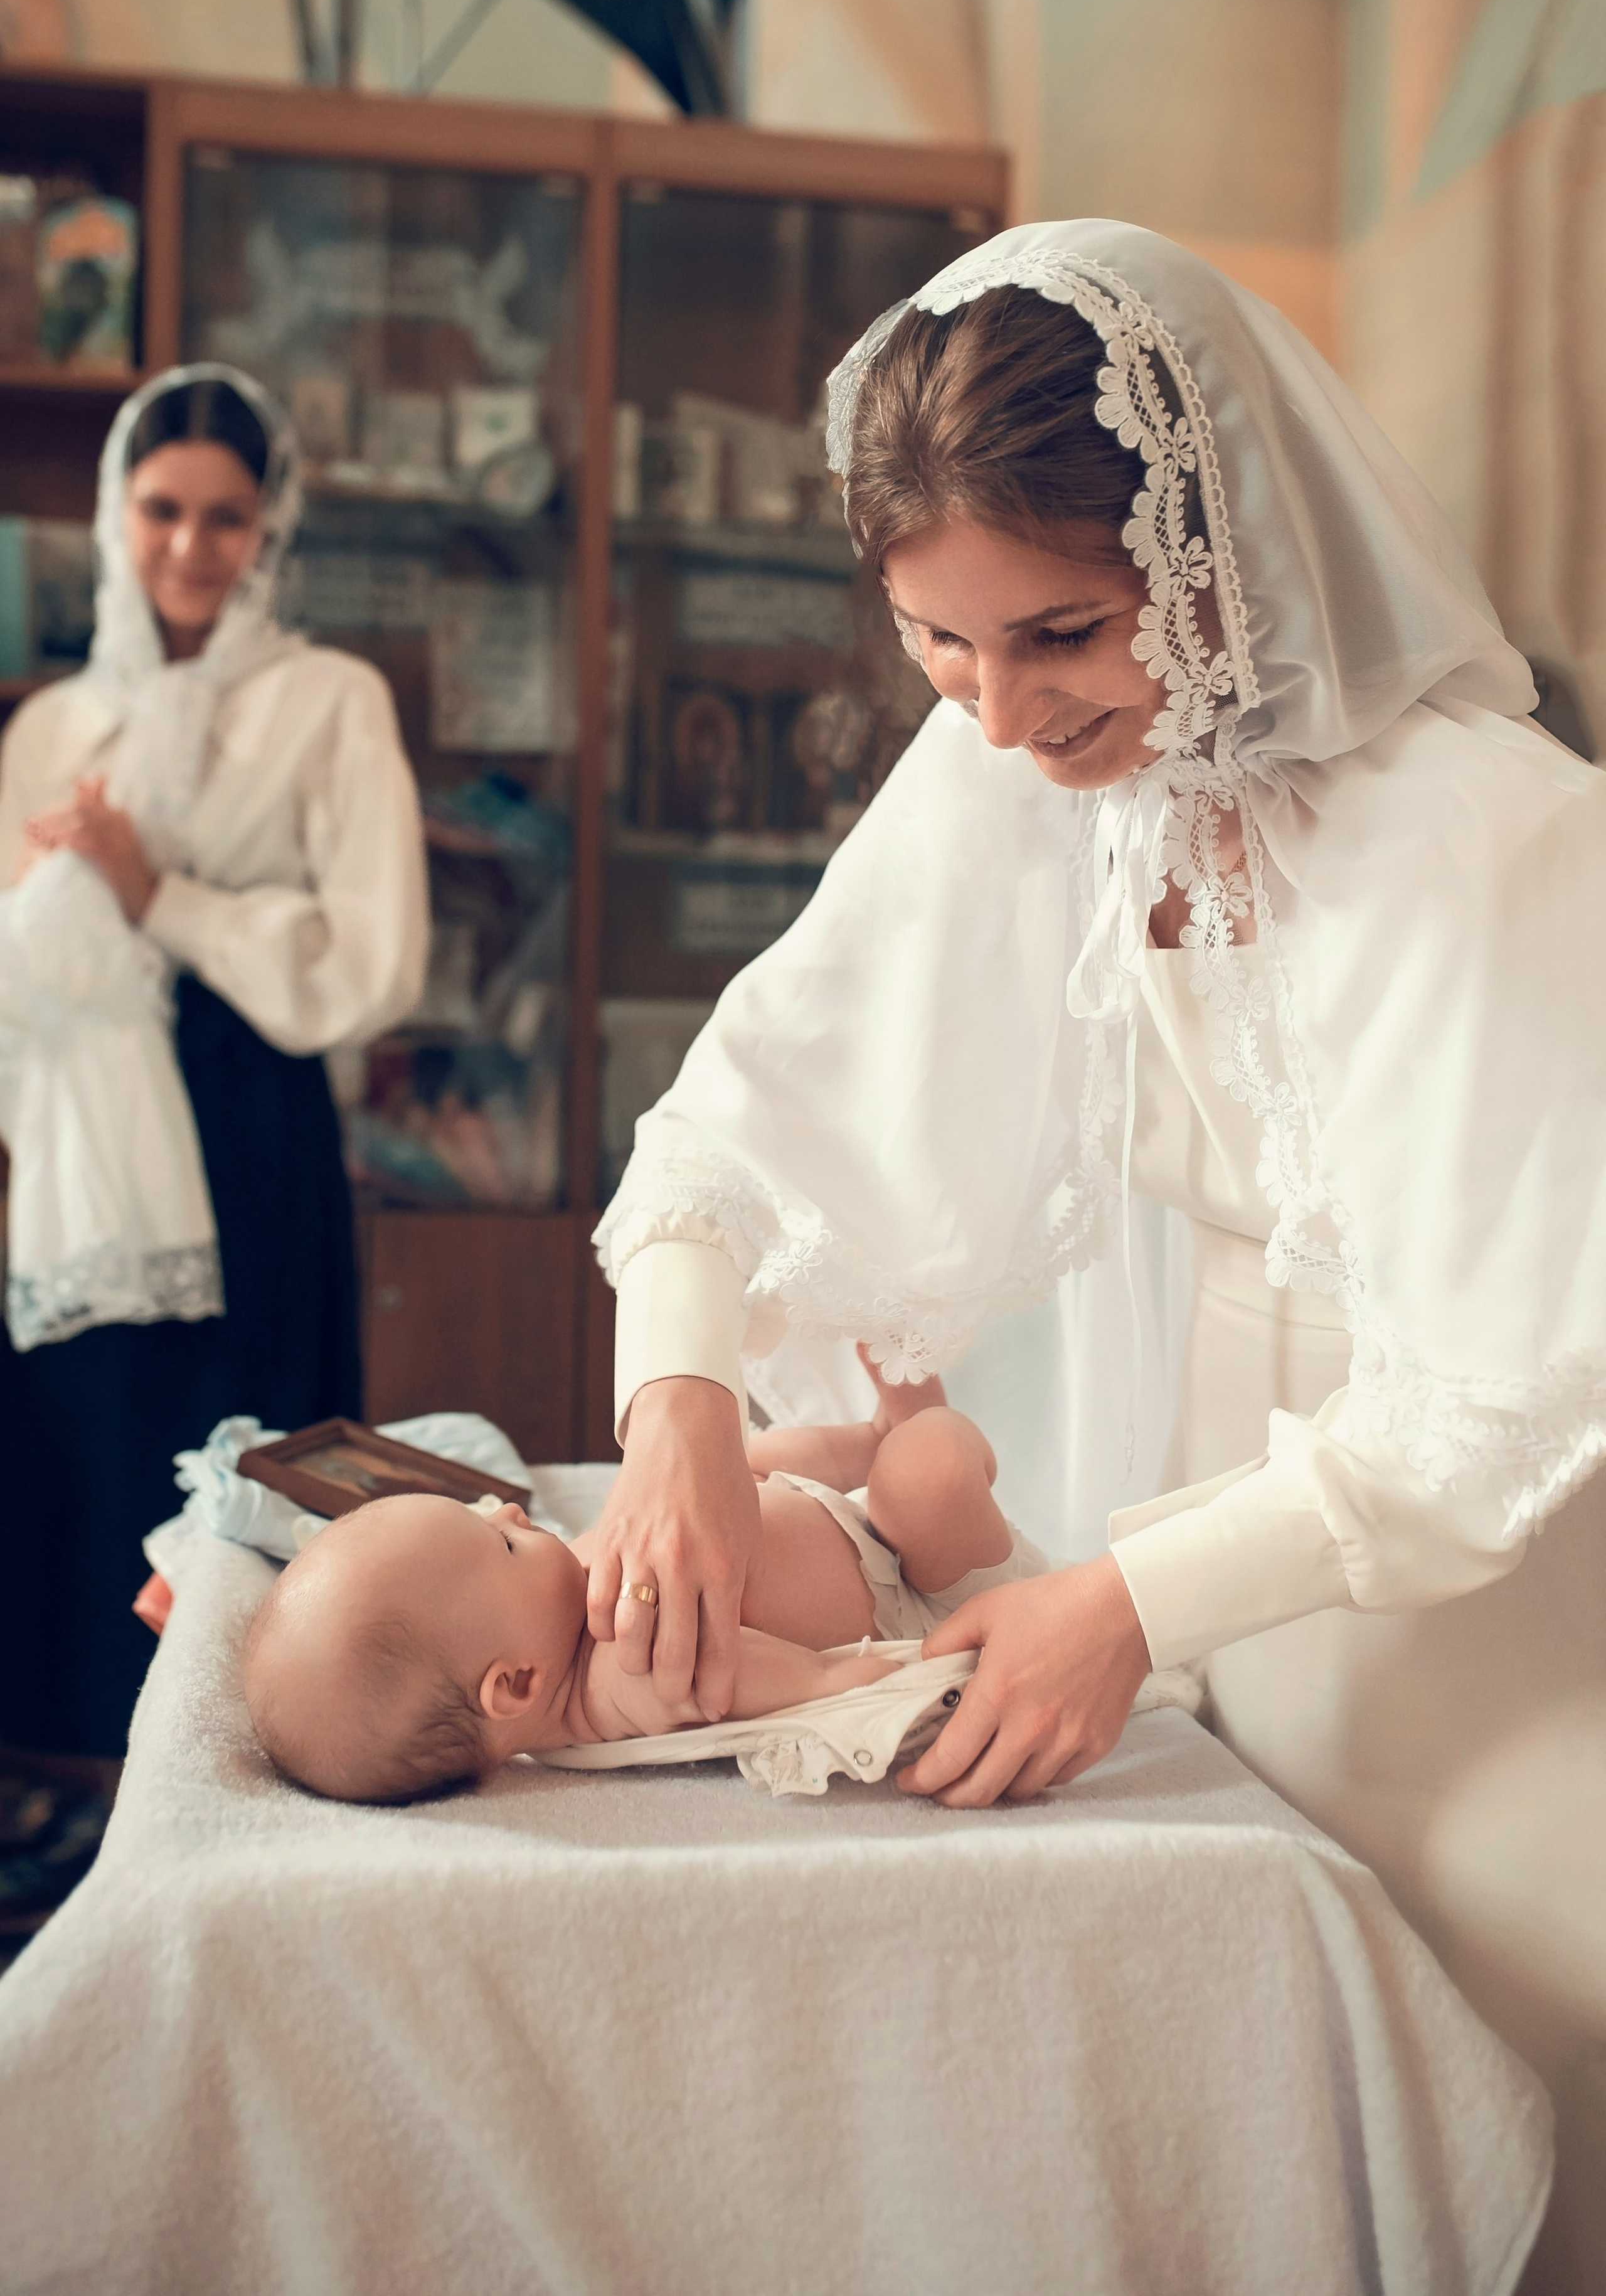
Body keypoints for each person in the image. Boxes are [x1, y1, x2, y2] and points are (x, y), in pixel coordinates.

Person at [585, 224, 1606, 2273]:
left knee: (1512, 2103)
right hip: (1208, 1563)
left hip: (1499, 1618)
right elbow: (749, 1105)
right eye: (938, 645)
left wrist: (1132, 1598)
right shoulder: (1029, 777)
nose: (998, 714)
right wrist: (681, 1389)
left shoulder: (1504, 841)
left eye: (1061, 631)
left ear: (1222, 543)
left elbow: (1501, 1395)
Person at [0, 363, 428, 1759]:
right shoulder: (52, 729)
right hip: (75, 1137)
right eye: (163, 510)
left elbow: (378, 964)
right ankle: (69, 1792)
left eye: (227, 518)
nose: (192, 547)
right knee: (73, 1451)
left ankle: (248, 1769)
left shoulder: (328, 701)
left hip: (250, 1125)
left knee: (242, 1460)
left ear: (270, 529)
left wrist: (157, 896)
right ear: (119, 515)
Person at [243, 1357, 1047, 1802]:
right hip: (919, 1585)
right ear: (515, 1683)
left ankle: (874, 1436)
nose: (508, 1514)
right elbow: (724, 1679)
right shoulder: (616, 1675)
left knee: (746, 1460)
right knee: (931, 1464)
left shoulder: (561, 1612)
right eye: (503, 1547)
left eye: (481, 1511)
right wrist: (835, 1676)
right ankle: (903, 1443)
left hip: (835, 1519)